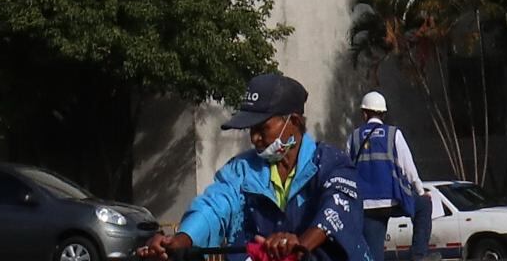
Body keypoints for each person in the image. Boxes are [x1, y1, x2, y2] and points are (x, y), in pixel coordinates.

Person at [140, 73, 367, 261]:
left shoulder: (332, 164)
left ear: (294, 122)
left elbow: (335, 209)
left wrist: (299, 246)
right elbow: (214, 206)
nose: (254, 138)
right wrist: (180, 240)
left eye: (262, 128)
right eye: (251, 129)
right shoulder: (241, 170)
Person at [350, 93, 430, 260]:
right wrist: (421, 191)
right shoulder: (393, 134)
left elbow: (347, 170)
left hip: (366, 206)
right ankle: (418, 255)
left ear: (364, 114)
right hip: (392, 200)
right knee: (424, 205)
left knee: (374, 254)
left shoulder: (354, 137)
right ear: (384, 114)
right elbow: (408, 167)